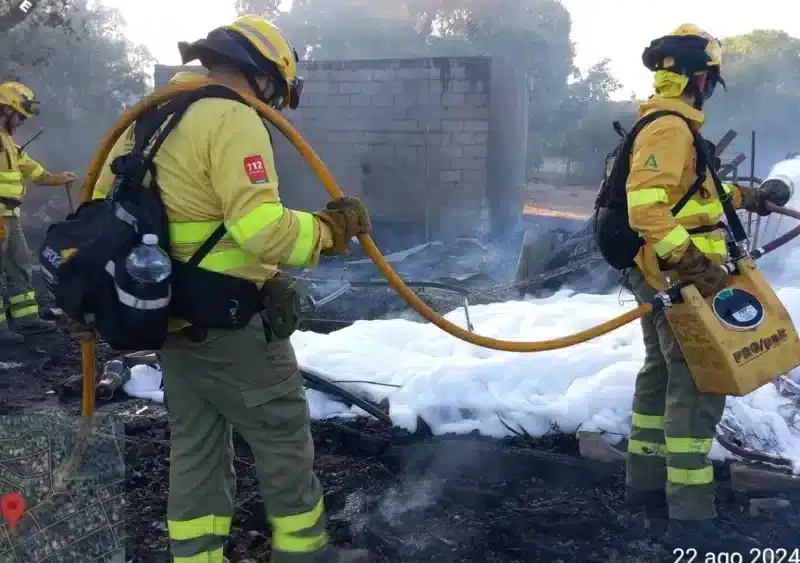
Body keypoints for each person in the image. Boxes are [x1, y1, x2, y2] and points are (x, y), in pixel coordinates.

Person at [91, 15, 372, 563]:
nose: (272, 102)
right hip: (231, 322)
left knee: (195, 448)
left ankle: (197, 557)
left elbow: (103, 213)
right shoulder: (232, 119)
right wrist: (328, 231)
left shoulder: (145, 121)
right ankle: (304, 552)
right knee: (282, 434)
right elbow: (261, 230)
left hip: (166, 316)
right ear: (265, 76)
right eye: (275, 91)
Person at [623, 24, 790, 550]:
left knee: (659, 376)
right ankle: (691, 514)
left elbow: (694, 195)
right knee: (695, 384)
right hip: (677, 277)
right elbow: (645, 207)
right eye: (711, 81)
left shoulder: (669, 125)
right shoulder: (670, 129)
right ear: (701, 79)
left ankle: (644, 487)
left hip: (662, 273)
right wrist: (692, 262)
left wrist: (751, 197)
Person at [0, 81, 77, 342]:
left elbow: (31, 170)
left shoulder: (7, 141)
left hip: (9, 216)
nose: (21, 120)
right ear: (6, 109)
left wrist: (57, 179)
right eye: (20, 115)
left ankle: (26, 319)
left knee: (19, 264)